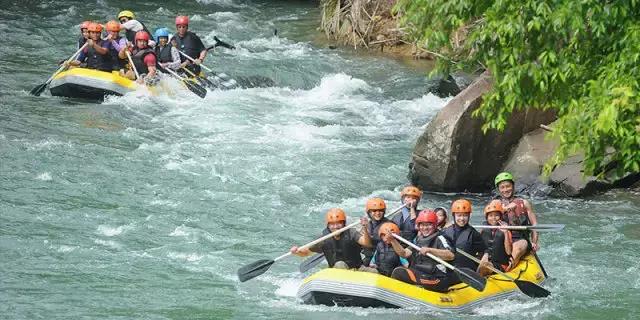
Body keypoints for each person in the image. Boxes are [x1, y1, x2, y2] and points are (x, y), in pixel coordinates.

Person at [389, 210, 455, 292]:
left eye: (429, 225)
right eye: (422, 225)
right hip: (422, 274)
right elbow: (404, 253)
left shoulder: (440, 238)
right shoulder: (418, 239)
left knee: (399, 272)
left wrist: (430, 250)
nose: (425, 228)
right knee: (399, 272)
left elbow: (451, 255)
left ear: (434, 225)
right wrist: (392, 240)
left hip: (437, 278)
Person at [290, 208, 372, 270]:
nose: (336, 227)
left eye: (339, 223)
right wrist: (297, 251)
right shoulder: (324, 239)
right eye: (332, 224)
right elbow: (306, 253)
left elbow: (367, 243)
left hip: (357, 270)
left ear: (344, 224)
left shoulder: (352, 233)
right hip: (336, 272)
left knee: (374, 271)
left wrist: (365, 227)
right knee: (340, 264)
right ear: (328, 225)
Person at [494, 172, 539, 268]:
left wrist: (534, 242)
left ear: (513, 186)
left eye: (508, 186)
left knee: (517, 249)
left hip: (520, 238)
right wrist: (504, 209)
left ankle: (507, 268)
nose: (505, 190)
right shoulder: (495, 203)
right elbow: (489, 222)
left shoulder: (524, 203)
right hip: (502, 237)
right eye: (502, 187)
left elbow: (534, 224)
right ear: (498, 189)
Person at [441, 199, 489, 282]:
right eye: (459, 215)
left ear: (469, 216)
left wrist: (485, 256)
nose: (462, 219)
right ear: (454, 215)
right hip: (449, 270)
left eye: (465, 215)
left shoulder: (473, 234)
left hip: (466, 271)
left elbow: (484, 250)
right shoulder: (446, 231)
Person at [478, 200, 513, 276]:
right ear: (487, 218)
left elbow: (509, 252)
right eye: (490, 216)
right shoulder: (483, 229)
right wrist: (485, 255)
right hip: (485, 260)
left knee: (485, 266)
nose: (493, 218)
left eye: (496, 215)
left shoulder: (506, 231)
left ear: (500, 217)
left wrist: (506, 233)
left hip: (500, 264)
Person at [362, 197, 391, 266]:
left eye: (380, 210)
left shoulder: (388, 225)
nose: (378, 213)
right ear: (369, 212)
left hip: (382, 257)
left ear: (384, 211)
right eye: (374, 211)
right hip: (369, 255)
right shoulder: (368, 224)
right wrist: (364, 228)